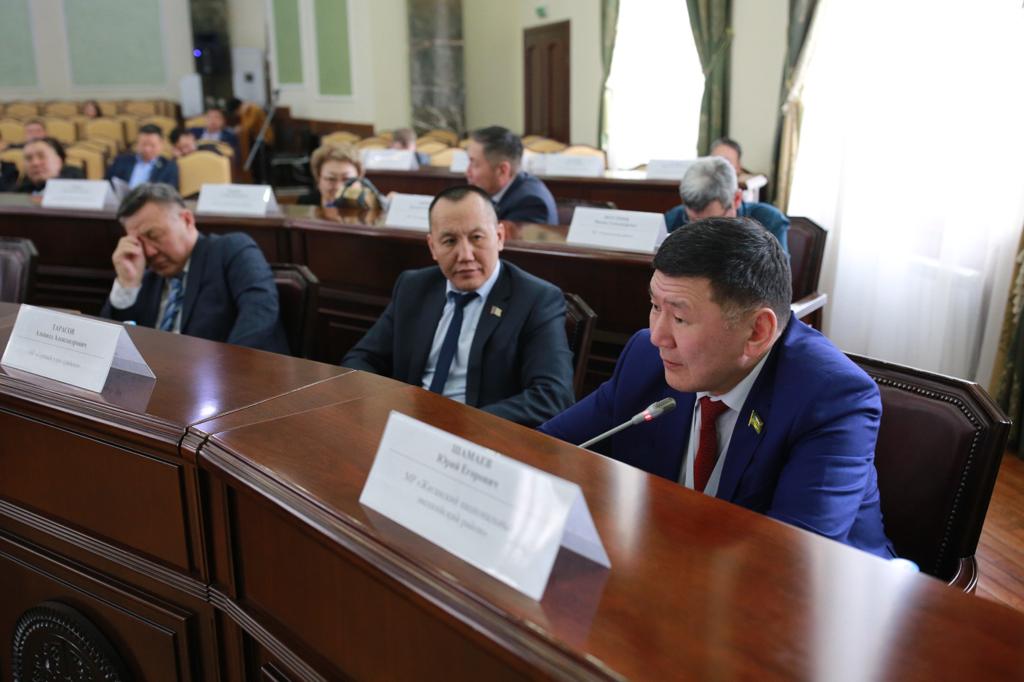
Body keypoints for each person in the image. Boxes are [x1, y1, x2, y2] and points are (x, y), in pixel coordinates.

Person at [539, 217, 893, 559]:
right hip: (673, 566)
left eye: (680, 318)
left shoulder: (832, 399)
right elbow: (544, 449)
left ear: (757, 332)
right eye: (655, 306)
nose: (658, 336)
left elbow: (790, 560)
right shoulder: (645, 359)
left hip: (823, 592)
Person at [342, 184, 575, 427]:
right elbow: (361, 359)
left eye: (476, 238)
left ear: (499, 237)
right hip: (406, 424)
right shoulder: (414, 287)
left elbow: (553, 396)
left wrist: (460, 424)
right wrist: (390, 407)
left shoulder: (535, 299)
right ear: (433, 247)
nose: (465, 255)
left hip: (479, 435)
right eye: (450, 241)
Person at [100, 183, 288, 353]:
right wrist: (127, 285)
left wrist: (227, 371)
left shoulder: (230, 250)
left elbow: (259, 314)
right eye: (139, 242)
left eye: (154, 235)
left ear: (187, 220)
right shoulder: (145, 278)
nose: (149, 252)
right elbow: (110, 347)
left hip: (223, 374)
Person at [663, 156, 790, 253]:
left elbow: (778, 280)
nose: (701, 232)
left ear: (736, 199)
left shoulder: (769, 222)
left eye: (711, 223)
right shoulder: (675, 218)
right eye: (691, 220)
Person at [466, 126, 558, 225]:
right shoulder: (501, 191)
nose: (467, 172)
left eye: (474, 164)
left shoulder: (529, 204)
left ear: (502, 170)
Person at [299, 143, 382, 210]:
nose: (339, 187)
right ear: (318, 179)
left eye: (347, 179)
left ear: (360, 179)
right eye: (331, 179)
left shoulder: (374, 208)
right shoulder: (304, 206)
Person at [106, 124, 179, 190]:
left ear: (161, 144)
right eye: (143, 144)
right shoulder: (121, 161)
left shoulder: (168, 167)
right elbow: (106, 184)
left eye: (152, 145)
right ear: (137, 143)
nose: (147, 149)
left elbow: (170, 192)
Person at [15, 137, 84, 193]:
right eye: (29, 158)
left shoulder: (77, 185)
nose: (35, 163)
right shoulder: (20, 190)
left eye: (41, 156)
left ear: (59, 161)